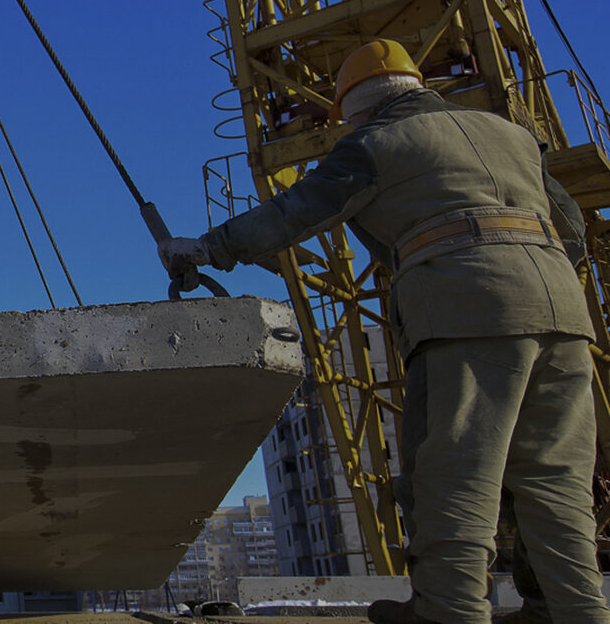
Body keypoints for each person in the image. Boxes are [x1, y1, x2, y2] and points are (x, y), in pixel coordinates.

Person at [159, 39, 610, 624]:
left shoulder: (374, 143)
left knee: (455, 473)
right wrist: (528, 267)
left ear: (357, 109)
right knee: (556, 477)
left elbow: (297, 210)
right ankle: (570, 608)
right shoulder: (513, 136)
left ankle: (448, 611)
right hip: (563, 316)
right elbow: (570, 225)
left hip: (467, 312)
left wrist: (205, 247)